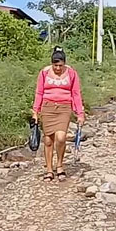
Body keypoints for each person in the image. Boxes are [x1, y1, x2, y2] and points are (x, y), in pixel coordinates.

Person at [32, 46, 85, 182]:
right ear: (52, 64)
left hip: (64, 107)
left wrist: (80, 113)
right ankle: (49, 169)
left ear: (64, 63)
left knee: (61, 137)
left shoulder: (71, 73)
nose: (57, 68)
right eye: (55, 65)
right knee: (48, 140)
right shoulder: (44, 73)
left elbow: (76, 93)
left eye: (60, 65)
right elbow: (39, 92)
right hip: (47, 107)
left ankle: (60, 165)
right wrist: (35, 111)